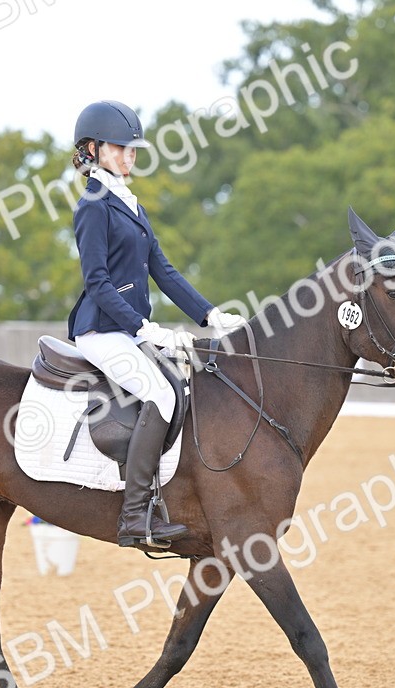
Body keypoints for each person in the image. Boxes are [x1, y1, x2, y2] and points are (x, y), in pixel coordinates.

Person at [67, 100, 245, 549]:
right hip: (101, 329)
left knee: (181, 385)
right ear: (92, 149)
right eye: (119, 148)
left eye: (132, 149)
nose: (129, 155)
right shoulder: (93, 205)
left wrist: (209, 315)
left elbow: (163, 271)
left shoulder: (129, 204)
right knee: (160, 394)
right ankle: (134, 515)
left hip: (126, 329)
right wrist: (143, 328)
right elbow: (97, 282)